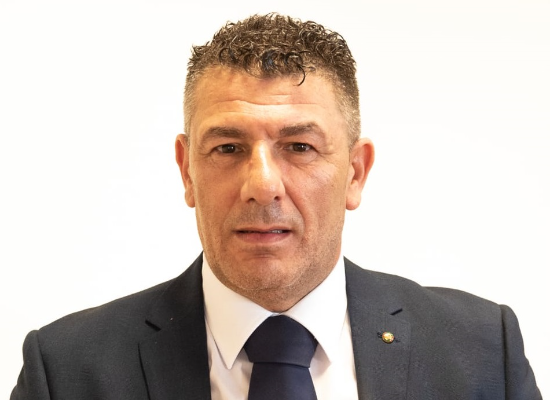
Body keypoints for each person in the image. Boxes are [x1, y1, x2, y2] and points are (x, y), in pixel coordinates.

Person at [11, 13, 541, 400]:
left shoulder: (480, 351)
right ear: (186, 170)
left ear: (355, 173)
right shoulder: (66, 372)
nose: (262, 185)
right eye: (228, 148)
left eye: (300, 147)